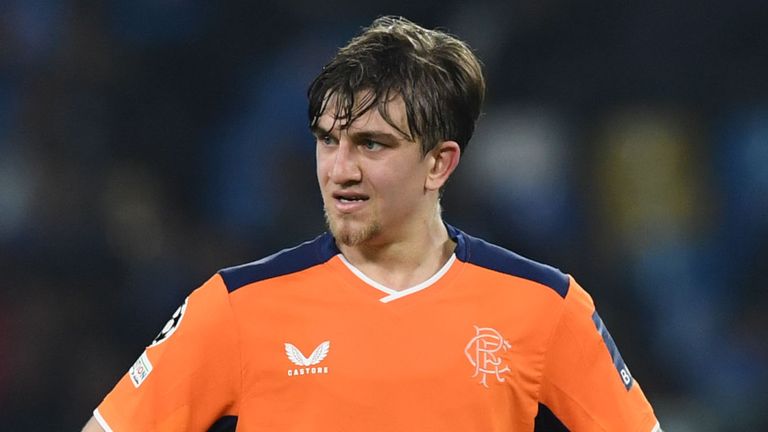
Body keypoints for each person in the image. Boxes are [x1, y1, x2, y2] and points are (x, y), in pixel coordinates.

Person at [83, 16, 661, 432]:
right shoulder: (236, 306)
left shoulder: (545, 305)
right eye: (328, 142)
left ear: (439, 162)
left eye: (372, 145)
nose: (340, 170)